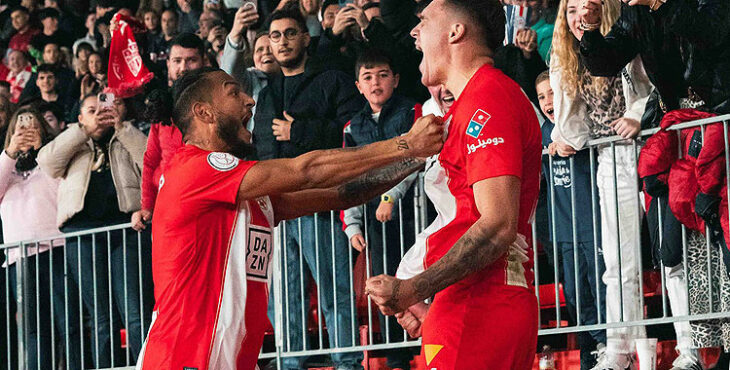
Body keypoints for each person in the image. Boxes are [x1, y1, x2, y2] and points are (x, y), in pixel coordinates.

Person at [135, 67, 444, 370]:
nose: (249, 100)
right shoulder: (195, 169)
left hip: (226, 357)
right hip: (184, 355)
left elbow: (344, 194)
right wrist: (405, 144)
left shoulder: (235, 187)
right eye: (233, 93)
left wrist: (416, 158)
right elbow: (305, 170)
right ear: (204, 113)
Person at [365, 0, 541, 369]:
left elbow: (496, 225)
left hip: (482, 304)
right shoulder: (465, 106)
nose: (414, 32)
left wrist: (415, 287)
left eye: (424, 21)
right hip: (464, 302)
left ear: (455, 32)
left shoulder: (488, 97)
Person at [254, 8, 365, 369]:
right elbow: (259, 148)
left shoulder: (332, 80)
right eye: (275, 35)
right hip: (276, 208)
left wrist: (299, 132)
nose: (282, 41)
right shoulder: (266, 92)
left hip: (320, 205)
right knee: (284, 300)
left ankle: (347, 363)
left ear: (305, 38)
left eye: (289, 33)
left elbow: (354, 132)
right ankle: (291, 365)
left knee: (335, 293)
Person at [37, 93, 153, 368]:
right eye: (92, 110)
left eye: (106, 109)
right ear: (79, 118)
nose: (100, 115)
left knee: (135, 312)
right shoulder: (74, 141)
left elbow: (149, 160)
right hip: (83, 234)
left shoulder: (125, 136)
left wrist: (122, 127)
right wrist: (83, 132)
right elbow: (47, 163)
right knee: (101, 316)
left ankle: (145, 365)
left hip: (126, 229)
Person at [342, 49, 419, 370]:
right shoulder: (352, 126)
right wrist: (353, 225)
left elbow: (416, 158)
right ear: (358, 85)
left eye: (383, 75)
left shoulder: (411, 110)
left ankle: (431, 344)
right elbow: (351, 176)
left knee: (419, 277)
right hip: (376, 222)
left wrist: (391, 197)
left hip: (416, 213)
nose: (376, 83)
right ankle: (396, 357)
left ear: (396, 79)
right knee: (385, 286)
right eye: (368, 77)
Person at [0, 107, 82, 370]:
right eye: (19, 128)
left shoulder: (51, 161)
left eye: (32, 126)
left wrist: (41, 150)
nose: (26, 132)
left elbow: (60, 186)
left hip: (57, 250)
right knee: (35, 331)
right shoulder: (5, 167)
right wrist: (11, 153)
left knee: (68, 323)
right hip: (19, 258)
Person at [536, 70, 606, 369]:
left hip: (593, 221)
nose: (547, 101)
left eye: (552, 93)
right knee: (575, 292)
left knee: (601, 287)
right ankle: (598, 340)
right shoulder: (543, 132)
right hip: (563, 227)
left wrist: (572, 141)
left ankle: (609, 343)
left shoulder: (582, 122)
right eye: (541, 96)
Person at [130, 34, 205, 231]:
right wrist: (147, 206)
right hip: (166, 210)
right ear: (168, 65)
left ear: (204, 62)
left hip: (204, 207)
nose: (183, 68)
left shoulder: (216, 103)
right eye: (177, 61)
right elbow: (151, 160)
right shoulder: (160, 106)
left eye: (191, 60)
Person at [220, 5, 278, 132]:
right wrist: (235, 34)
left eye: (271, 49)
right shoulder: (250, 80)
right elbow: (230, 72)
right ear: (253, 57)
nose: (265, 53)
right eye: (259, 50)